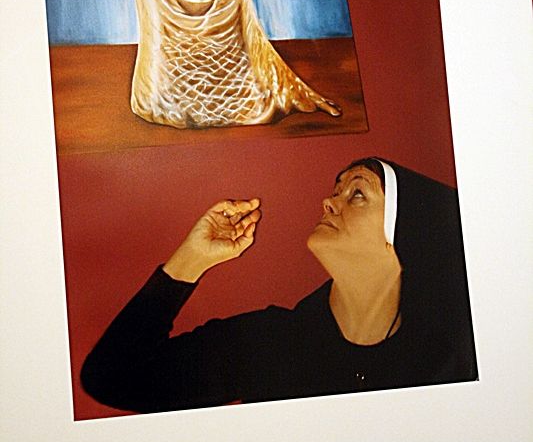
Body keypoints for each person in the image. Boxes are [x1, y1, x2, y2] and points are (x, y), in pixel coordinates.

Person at [80, 158, 477, 413]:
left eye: (357, 194)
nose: (328, 202)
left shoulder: (453, 359)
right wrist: (191, 259)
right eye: (336, 190)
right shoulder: (268, 345)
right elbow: (111, 378)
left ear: (409, 232)